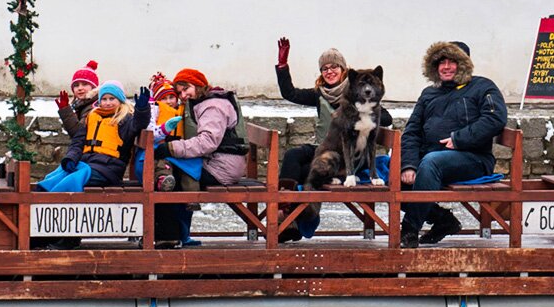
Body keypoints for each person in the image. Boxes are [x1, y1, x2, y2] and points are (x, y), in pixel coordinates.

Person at [274, 37, 392, 243]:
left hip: (346, 153)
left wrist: (358, 112)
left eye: (334, 67)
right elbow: (289, 93)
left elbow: (385, 117)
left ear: (343, 69)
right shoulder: (320, 94)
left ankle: (295, 218)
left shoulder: (359, 89)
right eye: (324, 69)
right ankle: (283, 208)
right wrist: (282, 66)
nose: (329, 71)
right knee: (293, 155)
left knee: (306, 172)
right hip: (325, 146)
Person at [399, 41, 507, 249]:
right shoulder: (429, 93)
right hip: (430, 159)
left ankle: (409, 231)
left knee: (432, 162)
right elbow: (411, 131)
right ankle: (442, 220)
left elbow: (495, 118)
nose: (446, 67)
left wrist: (459, 139)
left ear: (464, 64)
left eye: (452, 62)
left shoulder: (483, 87)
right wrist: (409, 165)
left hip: (473, 158)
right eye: (442, 62)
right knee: (393, 175)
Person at [151, 68, 248, 247]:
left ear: (197, 85)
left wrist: (170, 148)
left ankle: (169, 235)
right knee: (166, 174)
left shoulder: (213, 106)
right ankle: (177, 233)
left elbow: (207, 142)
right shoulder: (202, 102)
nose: (183, 95)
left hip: (221, 167)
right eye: (179, 92)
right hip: (217, 160)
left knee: (165, 178)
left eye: (186, 89)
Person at [63, 81, 148, 188]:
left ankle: (53, 201)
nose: (108, 103)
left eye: (112, 99)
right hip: (87, 164)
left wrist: (142, 109)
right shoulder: (92, 117)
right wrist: (71, 158)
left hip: (109, 169)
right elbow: (78, 141)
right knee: (58, 174)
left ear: (120, 100)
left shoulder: (125, 119)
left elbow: (139, 123)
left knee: (73, 179)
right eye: (104, 99)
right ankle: (41, 198)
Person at [54, 61, 100, 147]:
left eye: (85, 84)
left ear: (94, 88)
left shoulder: (93, 106)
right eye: (76, 85)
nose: (80, 88)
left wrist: (66, 111)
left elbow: (78, 133)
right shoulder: (81, 104)